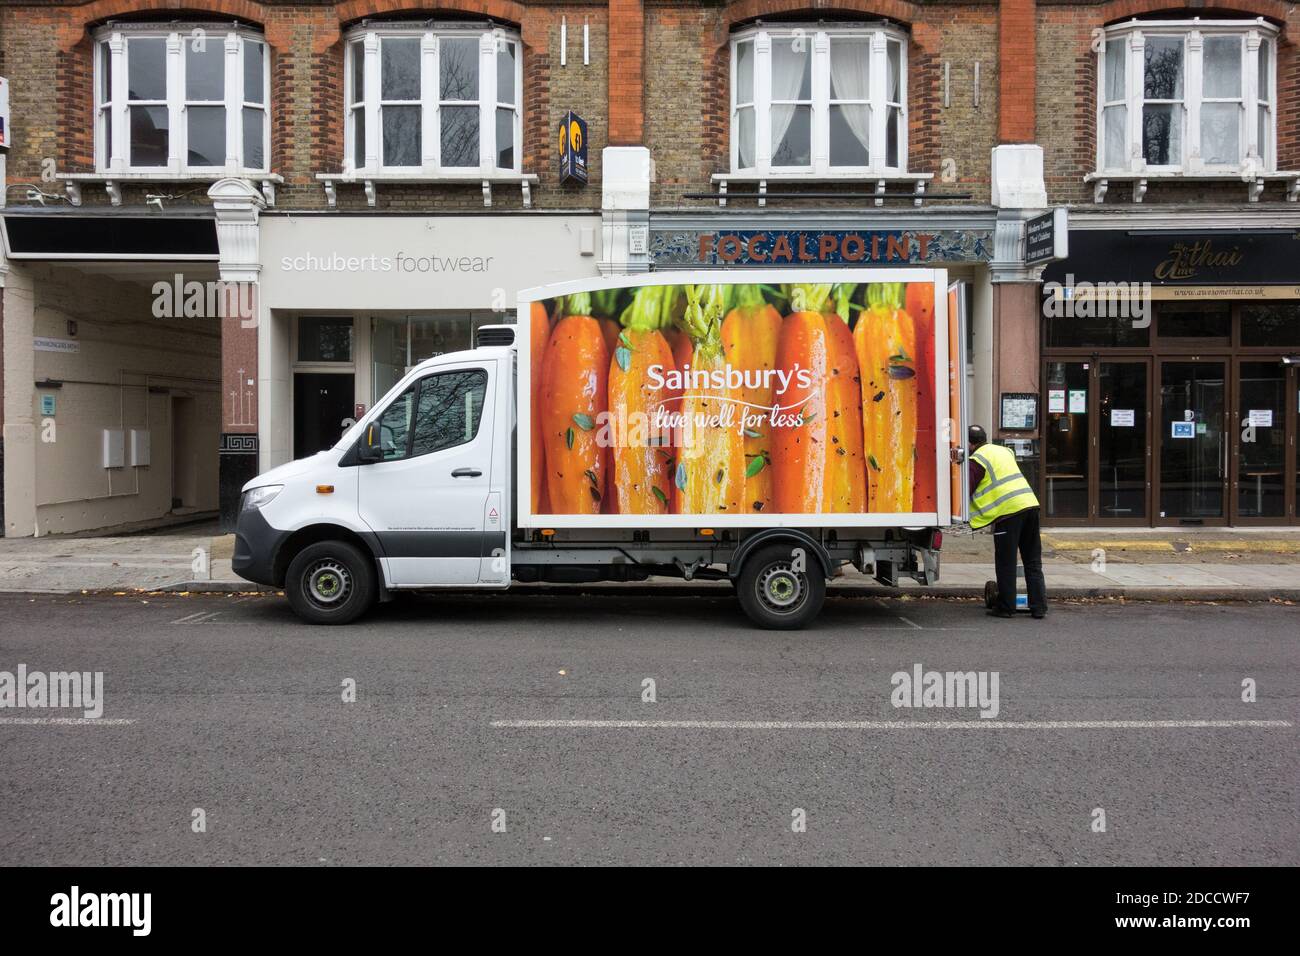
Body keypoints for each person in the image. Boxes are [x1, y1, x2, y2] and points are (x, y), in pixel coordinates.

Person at [967, 425, 1047, 619]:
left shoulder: (977, 459)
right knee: (1033, 560)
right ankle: (1039, 607)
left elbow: (966, 488)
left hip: (1009, 513)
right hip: (1030, 505)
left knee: (1006, 562)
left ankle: (1006, 607)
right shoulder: (1004, 451)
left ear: (970, 443)